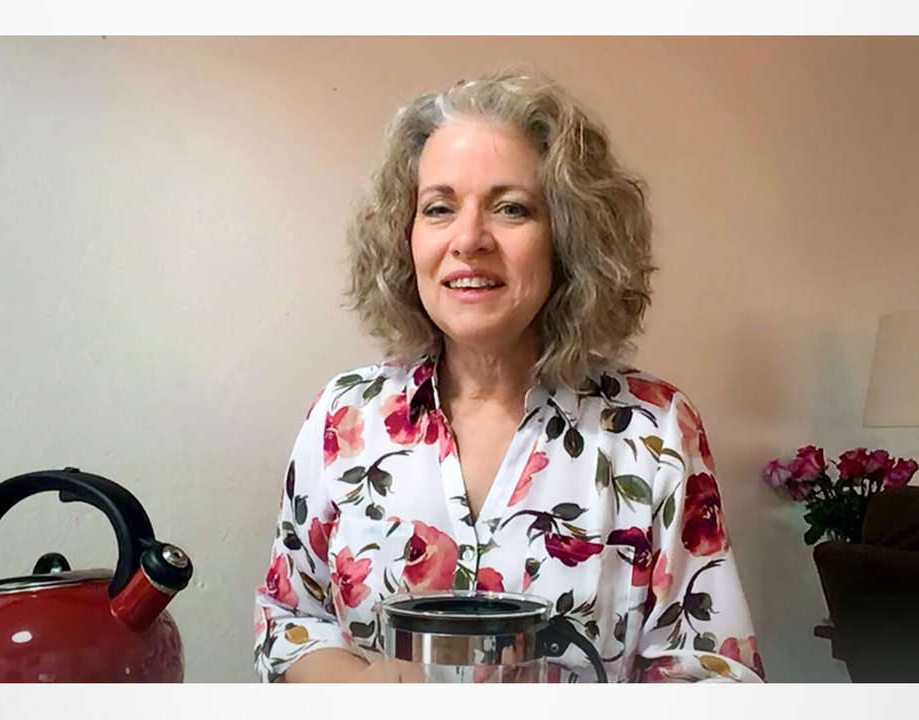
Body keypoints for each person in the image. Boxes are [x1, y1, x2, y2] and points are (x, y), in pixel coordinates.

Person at [253, 70, 764, 683]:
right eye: (438, 208)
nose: (468, 239)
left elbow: (713, 673)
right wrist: (364, 687)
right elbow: (289, 620)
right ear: (405, 235)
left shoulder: (653, 432)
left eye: (511, 208)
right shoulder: (344, 416)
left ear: (568, 237)